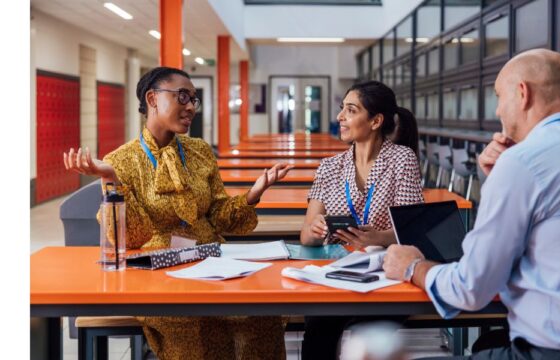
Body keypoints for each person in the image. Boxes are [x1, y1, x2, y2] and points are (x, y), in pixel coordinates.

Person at [64, 66, 291, 360]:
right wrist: (111, 180)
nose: (190, 107)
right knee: (195, 324)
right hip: (157, 276)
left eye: (193, 99)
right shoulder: (120, 161)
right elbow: (132, 238)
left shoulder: (200, 151)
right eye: (182, 96)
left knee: (261, 314)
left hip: (212, 263)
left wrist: (253, 193)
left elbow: (218, 216)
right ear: (153, 99)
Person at [383, 48, 560, 360]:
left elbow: (471, 288)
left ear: (522, 94)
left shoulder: (523, 162)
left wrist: (412, 266)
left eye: (499, 96)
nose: (497, 111)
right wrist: (496, 180)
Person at [300, 80, 424, 359]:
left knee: (367, 336)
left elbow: (412, 230)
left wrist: (376, 238)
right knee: (318, 331)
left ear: (376, 120)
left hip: (386, 274)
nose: (340, 117)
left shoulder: (401, 160)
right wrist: (317, 229)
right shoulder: (330, 167)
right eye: (342, 108)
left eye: (351, 110)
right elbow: (306, 235)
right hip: (337, 272)